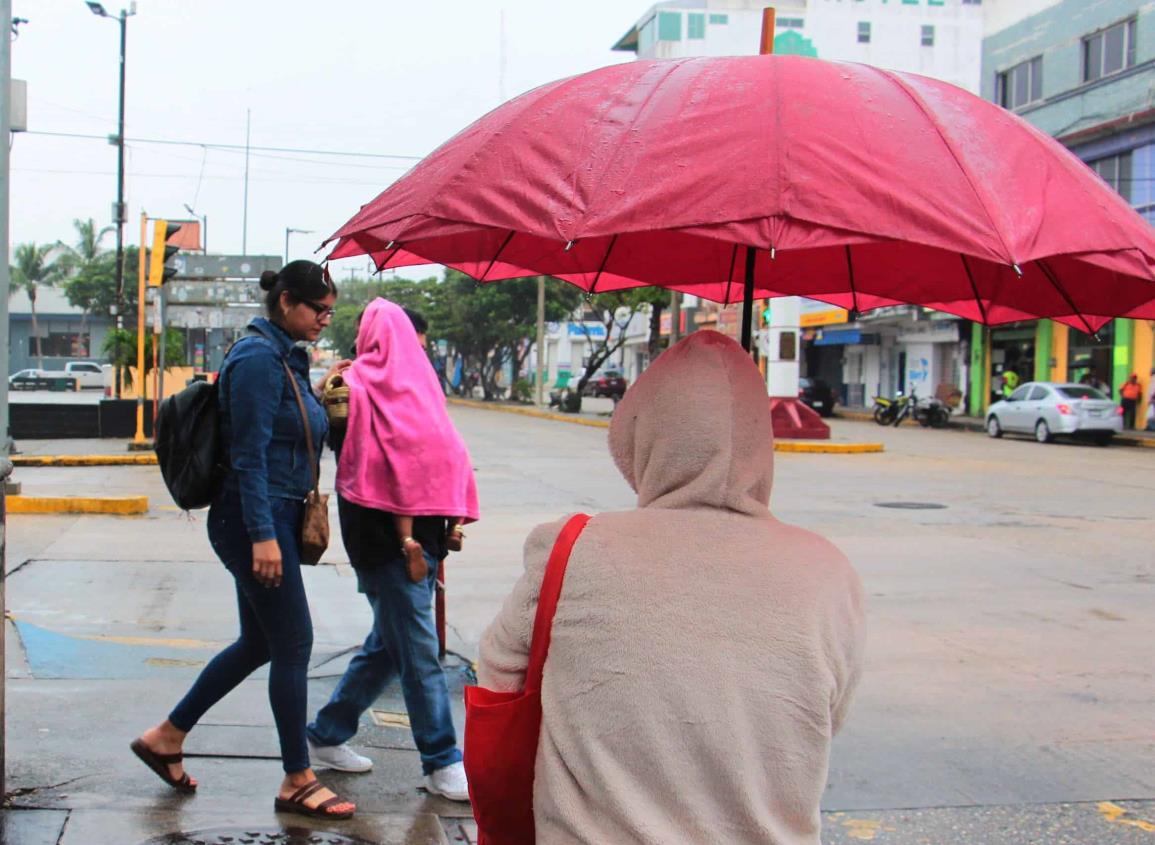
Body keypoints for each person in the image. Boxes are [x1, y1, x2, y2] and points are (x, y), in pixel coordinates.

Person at [478, 331, 866, 845]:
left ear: (644, 432)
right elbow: (823, 718)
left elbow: (500, 679)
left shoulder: (572, 550)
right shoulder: (829, 571)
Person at [131, 261, 355, 819]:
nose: (325, 320)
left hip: (273, 513)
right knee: (295, 642)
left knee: (259, 643)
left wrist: (330, 404)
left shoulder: (287, 357)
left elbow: (300, 439)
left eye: (330, 311)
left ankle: (166, 736)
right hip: (253, 518)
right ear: (285, 302)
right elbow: (250, 455)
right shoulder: (257, 358)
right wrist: (263, 537)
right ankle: (297, 777)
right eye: (317, 309)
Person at [307, 298, 479, 802]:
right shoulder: (351, 387)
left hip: (424, 535)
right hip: (382, 538)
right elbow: (331, 443)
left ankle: (326, 734)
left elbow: (441, 452)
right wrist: (324, 394)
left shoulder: (419, 386)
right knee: (419, 651)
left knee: (388, 645)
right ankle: (442, 760)